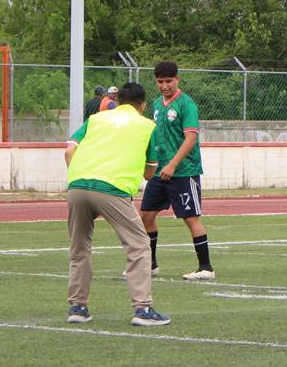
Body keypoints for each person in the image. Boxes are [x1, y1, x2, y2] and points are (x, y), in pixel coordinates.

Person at [65, 82, 170, 326]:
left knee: (79, 247)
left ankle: (78, 307)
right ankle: (143, 309)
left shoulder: (96, 119)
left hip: (78, 185)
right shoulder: (146, 125)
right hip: (112, 189)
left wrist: (82, 175)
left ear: (117, 101)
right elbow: (149, 171)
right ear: (142, 105)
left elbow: (69, 150)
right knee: (140, 245)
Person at [140, 61, 215, 280]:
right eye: (160, 81)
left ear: (177, 79)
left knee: (190, 218)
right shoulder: (155, 104)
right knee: (145, 215)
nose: (164, 86)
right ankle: (151, 264)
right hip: (160, 172)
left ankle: (206, 268)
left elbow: (191, 137)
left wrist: (173, 164)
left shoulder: (186, 104)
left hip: (183, 171)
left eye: (168, 81)